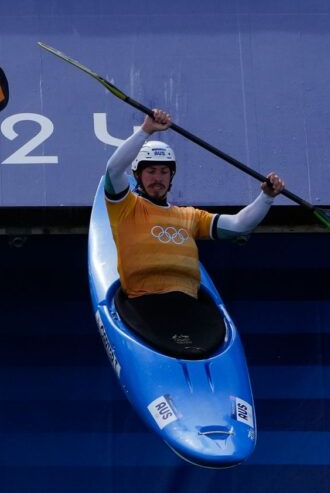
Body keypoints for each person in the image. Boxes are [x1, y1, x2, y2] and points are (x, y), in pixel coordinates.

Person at [104, 108, 285, 358]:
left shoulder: (189, 216)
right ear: (137, 174)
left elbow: (239, 226)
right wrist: (146, 130)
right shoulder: (126, 207)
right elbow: (113, 171)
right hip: (144, 308)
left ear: (172, 176)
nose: (158, 178)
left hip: (188, 310)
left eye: (164, 171)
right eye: (151, 171)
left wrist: (266, 197)